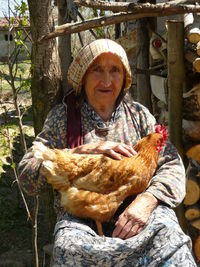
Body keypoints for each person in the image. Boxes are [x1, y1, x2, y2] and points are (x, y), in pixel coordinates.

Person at [18, 39, 197, 266]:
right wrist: (79, 151)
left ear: (124, 78)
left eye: (115, 70)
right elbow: (26, 175)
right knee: (68, 249)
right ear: (82, 75)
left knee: (172, 241)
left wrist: (148, 200)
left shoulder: (139, 116)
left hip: (138, 212)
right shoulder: (62, 118)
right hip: (82, 218)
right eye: (97, 70)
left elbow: (172, 165)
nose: (106, 80)